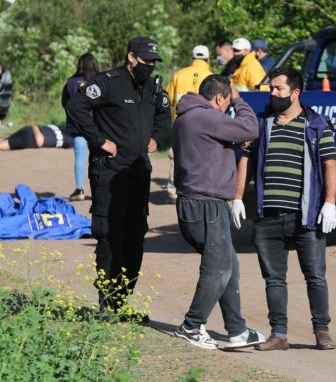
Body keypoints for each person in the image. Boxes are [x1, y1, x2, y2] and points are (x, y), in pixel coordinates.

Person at [232, 65, 336, 351]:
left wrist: (329, 203)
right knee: (273, 279)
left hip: (307, 216)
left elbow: (330, 164)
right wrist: (238, 197)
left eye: (278, 88)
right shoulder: (261, 122)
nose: (273, 93)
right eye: (271, 88)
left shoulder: (316, 124)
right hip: (268, 216)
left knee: (315, 275)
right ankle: (279, 334)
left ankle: (322, 331)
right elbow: (246, 159)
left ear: (295, 92)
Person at [65, 36, 171, 318]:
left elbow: (164, 114)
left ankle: (121, 302)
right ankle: (106, 304)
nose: (150, 65)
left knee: (136, 237)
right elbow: (76, 107)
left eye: (153, 61)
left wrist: (157, 138)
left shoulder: (152, 86)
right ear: (131, 57)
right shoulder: (108, 82)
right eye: (146, 60)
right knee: (110, 236)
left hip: (138, 170)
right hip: (110, 172)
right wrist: (100, 140)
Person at [171, 74, 265, 350]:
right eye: (227, 102)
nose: (227, 109)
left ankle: (236, 329)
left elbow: (210, 149)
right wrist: (241, 100)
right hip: (206, 204)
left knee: (229, 266)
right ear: (220, 98)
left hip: (195, 201)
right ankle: (191, 326)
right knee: (218, 268)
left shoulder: (186, 118)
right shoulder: (207, 116)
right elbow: (250, 128)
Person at [164, 44, 214, 202]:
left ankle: (173, 190)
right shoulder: (211, 75)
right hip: (205, 124)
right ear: (208, 59)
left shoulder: (179, 74)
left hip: (180, 122)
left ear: (192, 59)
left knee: (177, 156)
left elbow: (168, 99)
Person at [61, 53, 100, 201]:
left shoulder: (71, 83)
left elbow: (65, 103)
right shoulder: (99, 82)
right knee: (97, 158)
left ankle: (79, 189)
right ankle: (97, 191)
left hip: (77, 127)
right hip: (96, 127)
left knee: (80, 157)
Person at [0, 124, 73, 153]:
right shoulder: (67, 135)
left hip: (30, 132)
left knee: (1, 144)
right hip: (31, 135)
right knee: (1, 144)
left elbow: (40, 140)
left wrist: (35, 128)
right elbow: (40, 141)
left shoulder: (64, 133)